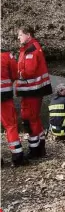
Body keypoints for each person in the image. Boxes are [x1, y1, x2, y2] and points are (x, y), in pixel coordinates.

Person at [16, 25, 52, 158]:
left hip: (32, 90)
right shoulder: (28, 48)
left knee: (30, 118)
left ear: (28, 34)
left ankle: (35, 150)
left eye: (20, 34)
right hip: (31, 90)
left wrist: (16, 73)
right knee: (32, 118)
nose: (18, 37)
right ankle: (38, 147)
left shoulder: (31, 49)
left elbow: (28, 72)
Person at [0, 40, 26, 166]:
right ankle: (17, 157)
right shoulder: (6, 56)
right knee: (10, 125)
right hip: (4, 95)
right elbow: (15, 73)